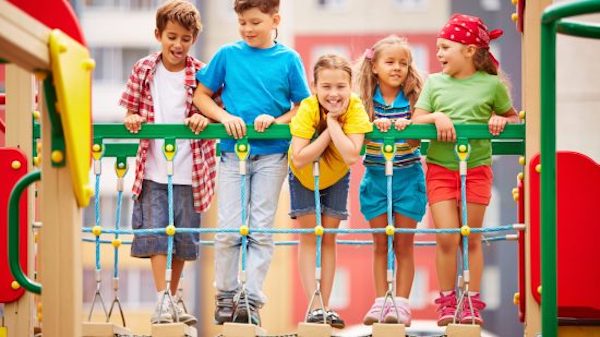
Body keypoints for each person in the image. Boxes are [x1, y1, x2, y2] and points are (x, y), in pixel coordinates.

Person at [193, 0, 310, 326]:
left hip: (273, 154)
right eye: (242, 22)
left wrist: (275, 121)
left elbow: (303, 107)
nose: (247, 29)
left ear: (275, 20)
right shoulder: (227, 55)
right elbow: (200, 96)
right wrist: (224, 116)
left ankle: (252, 300)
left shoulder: (288, 59)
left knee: (261, 229)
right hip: (232, 154)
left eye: (255, 22)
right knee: (229, 229)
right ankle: (226, 296)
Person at [412, 13, 520, 326]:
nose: (439, 53)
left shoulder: (491, 86)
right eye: (437, 48)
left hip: (476, 169)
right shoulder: (434, 83)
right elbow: (416, 119)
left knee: (470, 235)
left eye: (446, 47)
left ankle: (470, 301)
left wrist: (501, 120)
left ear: (469, 50)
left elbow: (512, 118)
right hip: (441, 169)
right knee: (446, 236)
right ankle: (447, 300)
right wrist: (436, 118)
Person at [119, 0, 216, 326]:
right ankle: (161, 297)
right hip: (154, 168)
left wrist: (203, 118)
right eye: (171, 36)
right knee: (157, 233)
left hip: (191, 171)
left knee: (184, 239)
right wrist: (132, 117)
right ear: (158, 34)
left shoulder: (202, 73)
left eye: (185, 39)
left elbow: (211, 109)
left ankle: (174, 297)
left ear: (193, 40)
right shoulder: (145, 69)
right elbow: (130, 107)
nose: (178, 45)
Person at [289, 54, 373, 329]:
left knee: (329, 238)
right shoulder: (308, 108)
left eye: (340, 87)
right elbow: (299, 157)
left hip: (336, 174)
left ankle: (324, 306)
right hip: (304, 176)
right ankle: (314, 307)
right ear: (315, 87)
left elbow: (351, 155)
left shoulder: (356, 108)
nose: (334, 94)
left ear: (350, 87)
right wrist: (331, 130)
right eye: (326, 87)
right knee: (310, 237)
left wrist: (334, 123)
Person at [354, 35, 427, 326]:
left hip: (408, 178)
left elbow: (418, 134)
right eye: (390, 62)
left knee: (404, 245)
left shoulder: (413, 101)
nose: (397, 68)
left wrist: (410, 124)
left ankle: (402, 304)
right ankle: (382, 300)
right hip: (375, 179)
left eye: (404, 63)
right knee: (381, 244)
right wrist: (373, 125)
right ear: (374, 67)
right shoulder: (363, 103)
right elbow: (356, 128)